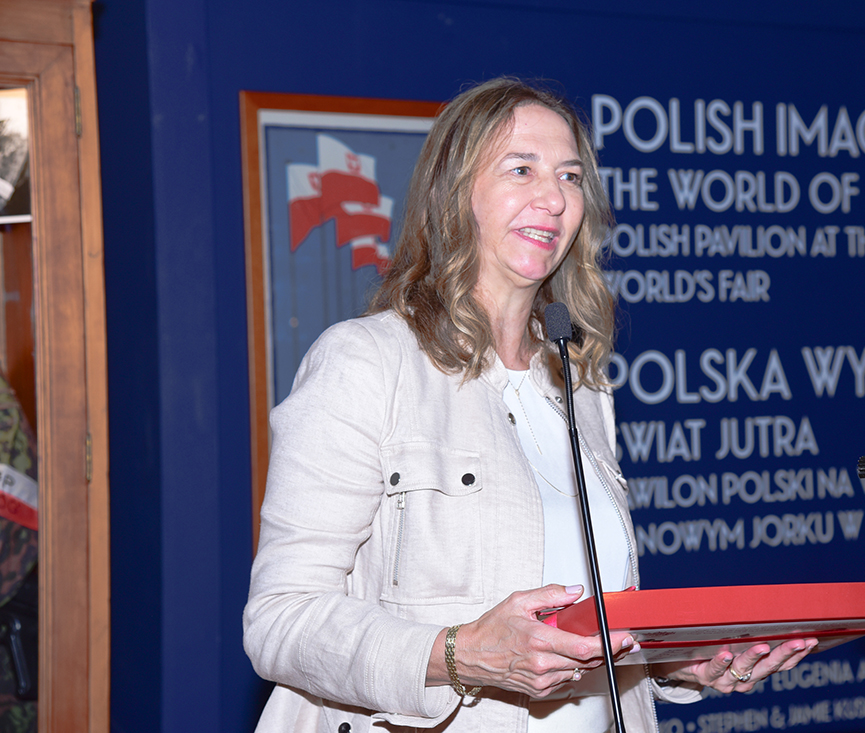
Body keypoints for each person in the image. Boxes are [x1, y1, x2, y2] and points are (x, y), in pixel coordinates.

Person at [243, 77, 816, 733]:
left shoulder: (578, 380)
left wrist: (676, 665)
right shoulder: (366, 362)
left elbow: (585, 632)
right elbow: (280, 620)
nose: (554, 197)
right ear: (455, 192)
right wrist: (459, 653)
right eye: (522, 169)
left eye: (570, 176)